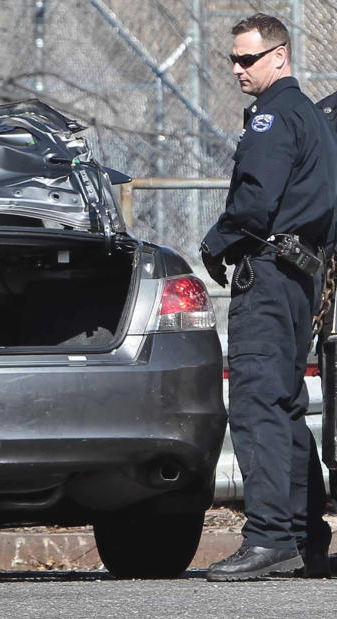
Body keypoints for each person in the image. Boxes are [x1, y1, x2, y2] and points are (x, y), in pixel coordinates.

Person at [201, 13, 337, 581]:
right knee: (284, 404)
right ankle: (304, 536)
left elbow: (255, 199)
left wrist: (217, 243)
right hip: (300, 274)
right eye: (233, 59)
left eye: (248, 58)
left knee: (257, 402)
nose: (237, 69)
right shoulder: (311, 115)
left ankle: (268, 538)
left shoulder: (273, 117)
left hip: (270, 272)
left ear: (279, 56)